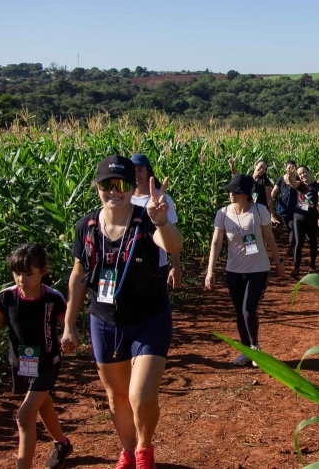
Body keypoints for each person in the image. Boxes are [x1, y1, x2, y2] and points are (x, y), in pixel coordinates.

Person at [61, 156, 182, 469]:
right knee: (116, 396)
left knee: (141, 396)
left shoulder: (145, 219)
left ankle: (144, 449)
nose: (114, 191)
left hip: (150, 319)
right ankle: (127, 451)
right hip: (105, 322)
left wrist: (161, 221)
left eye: (121, 185)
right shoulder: (86, 227)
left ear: (131, 187)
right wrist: (69, 323)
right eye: (107, 184)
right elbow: (78, 275)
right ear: (97, 188)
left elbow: (173, 246)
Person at [0, 243, 73, 469]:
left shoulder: (52, 298)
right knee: (43, 405)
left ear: (43, 271)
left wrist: (69, 340)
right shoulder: (6, 297)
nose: (22, 279)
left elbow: (69, 328)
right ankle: (62, 444)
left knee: (24, 417)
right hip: (23, 363)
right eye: (17, 273)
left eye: (28, 274)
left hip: (47, 363)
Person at [204, 174, 285, 366]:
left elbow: (269, 238)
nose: (231, 194)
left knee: (248, 308)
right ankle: (246, 350)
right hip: (234, 270)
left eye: (236, 191)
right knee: (239, 311)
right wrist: (210, 271)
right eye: (230, 191)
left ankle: (255, 347)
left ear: (246, 194)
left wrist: (278, 261)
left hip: (258, 269)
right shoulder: (223, 213)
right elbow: (216, 243)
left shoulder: (259, 210)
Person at [130, 153, 182, 291]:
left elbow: (172, 235)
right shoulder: (124, 199)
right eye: (133, 170)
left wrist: (176, 267)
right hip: (129, 265)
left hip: (157, 265)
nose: (136, 174)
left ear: (148, 172)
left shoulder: (163, 199)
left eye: (140, 170)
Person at [291, 165, 319, 278]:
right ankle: (296, 269)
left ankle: (312, 266)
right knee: (298, 242)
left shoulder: (317, 186)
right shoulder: (299, 185)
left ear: (309, 172)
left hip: (312, 217)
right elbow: (292, 183)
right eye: (300, 174)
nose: (302, 175)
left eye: (304, 172)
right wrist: (290, 175)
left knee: (312, 242)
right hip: (298, 217)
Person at [270, 160, 302, 257]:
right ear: (285, 168)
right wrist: (269, 200)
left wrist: (290, 177)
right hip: (283, 209)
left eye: (292, 167)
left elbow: (296, 186)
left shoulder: (298, 179)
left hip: (294, 209)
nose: (290, 169)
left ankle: (291, 247)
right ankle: (293, 244)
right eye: (289, 168)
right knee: (289, 228)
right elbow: (274, 191)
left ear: (295, 169)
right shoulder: (281, 179)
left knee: (292, 227)